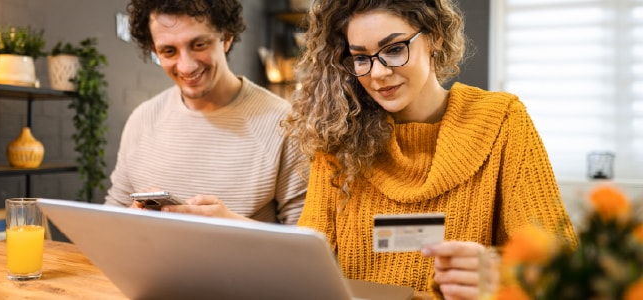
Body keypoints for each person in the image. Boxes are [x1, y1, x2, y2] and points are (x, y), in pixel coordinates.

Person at [283, 0, 578, 298]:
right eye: (361, 57)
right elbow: (303, 270)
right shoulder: (339, 136)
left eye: (394, 49)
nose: (378, 73)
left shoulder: (503, 120)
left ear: (435, 36)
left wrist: (498, 272)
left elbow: (562, 268)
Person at [104, 0, 306, 224]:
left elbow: (307, 240)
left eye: (199, 45)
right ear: (155, 51)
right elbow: (112, 215)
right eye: (169, 51)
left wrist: (231, 224)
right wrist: (128, 218)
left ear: (226, 38)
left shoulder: (284, 122)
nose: (186, 66)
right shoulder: (141, 119)